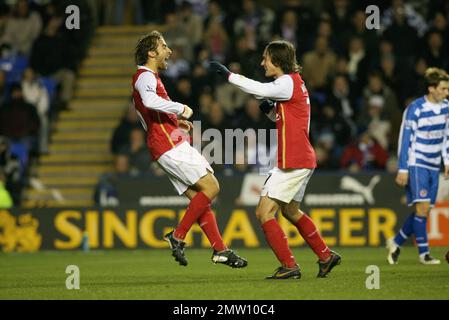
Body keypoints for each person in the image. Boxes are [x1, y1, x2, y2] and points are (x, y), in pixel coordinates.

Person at [210, 40, 341, 279]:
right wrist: (271, 112)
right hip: (301, 158)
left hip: (294, 161)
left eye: (266, 58)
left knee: (264, 212)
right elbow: (290, 120)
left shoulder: (287, 82)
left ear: (278, 61)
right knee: (291, 211)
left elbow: (259, 89)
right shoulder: (294, 85)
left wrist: (230, 76)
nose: (262, 63)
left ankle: (289, 265)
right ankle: (325, 255)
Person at [132, 31, 247, 268]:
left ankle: (220, 250)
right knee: (212, 186)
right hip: (167, 143)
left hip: (165, 140)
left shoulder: (148, 78)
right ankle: (177, 235)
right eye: (164, 46)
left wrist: (174, 123)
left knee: (199, 199)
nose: (169, 51)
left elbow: (147, 117)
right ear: (152, 53)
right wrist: (180, 109)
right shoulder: (144, 76)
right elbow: (150, 103)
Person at [387, 67, 449, 265]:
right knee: (421, 209)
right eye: (444, 89)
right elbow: (405, 140)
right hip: (416, 163)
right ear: (432, 89)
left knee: (423, 211)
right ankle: (424, 254)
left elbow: (447, 137)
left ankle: (396, 243)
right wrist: (403, 168)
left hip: (434, 165)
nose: (446, 93)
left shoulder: (447, 108)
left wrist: (447, 161)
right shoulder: (415, 109)